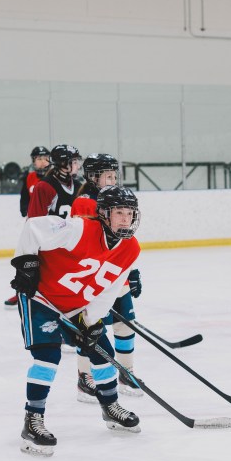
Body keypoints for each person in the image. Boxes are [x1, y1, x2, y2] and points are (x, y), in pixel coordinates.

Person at [10, 185, 143, 456]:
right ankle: (33, 419)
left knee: (102, 351)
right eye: (119, 213)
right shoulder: (79, 229)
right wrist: (27, 264)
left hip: (75, 306)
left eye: (130, 213)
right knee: (47, 357)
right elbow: (34, 227)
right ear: (104, 214)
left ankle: (110, 406)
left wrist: (92, 321)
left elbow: (108, 287)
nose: (125, 219)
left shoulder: (130, 248)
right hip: (42, 297)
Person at [71, 154, 145, 401]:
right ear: (93, 176)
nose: (113, 180)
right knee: (90, 328)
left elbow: (124, 240)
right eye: (108, 176)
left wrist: (132, 271)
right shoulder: (83, 203)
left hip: (116, 276)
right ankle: (85, 377)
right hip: (93, 278)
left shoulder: (119, 200)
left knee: (126, 323)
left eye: (115, 176)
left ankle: (126, 371)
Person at [4, 146, 51, 309]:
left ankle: (48, 292)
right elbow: (24, 196)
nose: (43, 161)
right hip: (32, 225)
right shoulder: (29, 177)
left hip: (51, 226)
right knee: (25, 257)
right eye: (39, 159)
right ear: (33, 161)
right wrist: (25, 210)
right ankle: (21, 291)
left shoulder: (54, 178)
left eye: (45, 158)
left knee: (50, 260)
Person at [26, 144, 83, 218]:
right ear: (62, 163)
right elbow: (35, 222)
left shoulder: (78, 186)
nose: (78, 167)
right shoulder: (44, 187)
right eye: (75, 162)